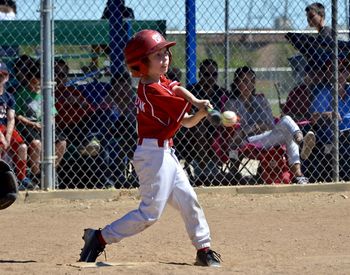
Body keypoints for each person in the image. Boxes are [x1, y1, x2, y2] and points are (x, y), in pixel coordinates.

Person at [78, 29, 222, 267]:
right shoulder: (151, 90)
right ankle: (99, 238)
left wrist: (198, 107)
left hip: (166, 153)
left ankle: (203, 249)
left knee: (189, 200)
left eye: (165, 53)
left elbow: (182, 107)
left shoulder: (159, 82)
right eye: (157, 55)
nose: (164, 58)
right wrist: (199, 108)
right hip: (152, 156)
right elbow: (182, 114)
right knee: (149, 213)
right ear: (142, 63)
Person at [224, 66, 316, 184]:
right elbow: (236, 134)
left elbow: (271, 124)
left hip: (268, 136)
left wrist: (256, 127)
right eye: (244, 81)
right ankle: (299, 168)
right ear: (237, 83)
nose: (248, 85)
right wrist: (257, 126)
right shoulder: (231, 104)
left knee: (286, 120)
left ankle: (300, 146)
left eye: (251, 81)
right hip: (249, 141)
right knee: (288, 129)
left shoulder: (261, 100)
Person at [14, 62, 67, 186]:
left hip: (44, 125)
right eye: (33, 84)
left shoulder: (46, 94)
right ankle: (37, 174)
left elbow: (52, 114)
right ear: (28, 81)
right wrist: (32, 124)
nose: (36, 87)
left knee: (62, 142)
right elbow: (18, 115)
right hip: (28, 125)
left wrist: (50, 125)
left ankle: (50, 169)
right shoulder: (22, 93)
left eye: (39, 84)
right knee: (36, 143)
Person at [185, 59, 228, 185]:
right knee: (200, 127)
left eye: (213, 74)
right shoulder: (192, 91)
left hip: (217, 129)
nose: (210, 78)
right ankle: (203, 172)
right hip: (192, 131)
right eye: (206, 74)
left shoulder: (221, 93)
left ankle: (212, 170)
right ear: (200, 75)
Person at [0, 61, 32, 189]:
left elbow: (11, 118)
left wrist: (7, 136)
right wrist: (2, 138)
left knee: (22, 147)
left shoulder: (9, 97)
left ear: (7, 78)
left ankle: (21, 177)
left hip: (5, 127)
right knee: (1, 146)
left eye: (2, 75)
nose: (0, 78)